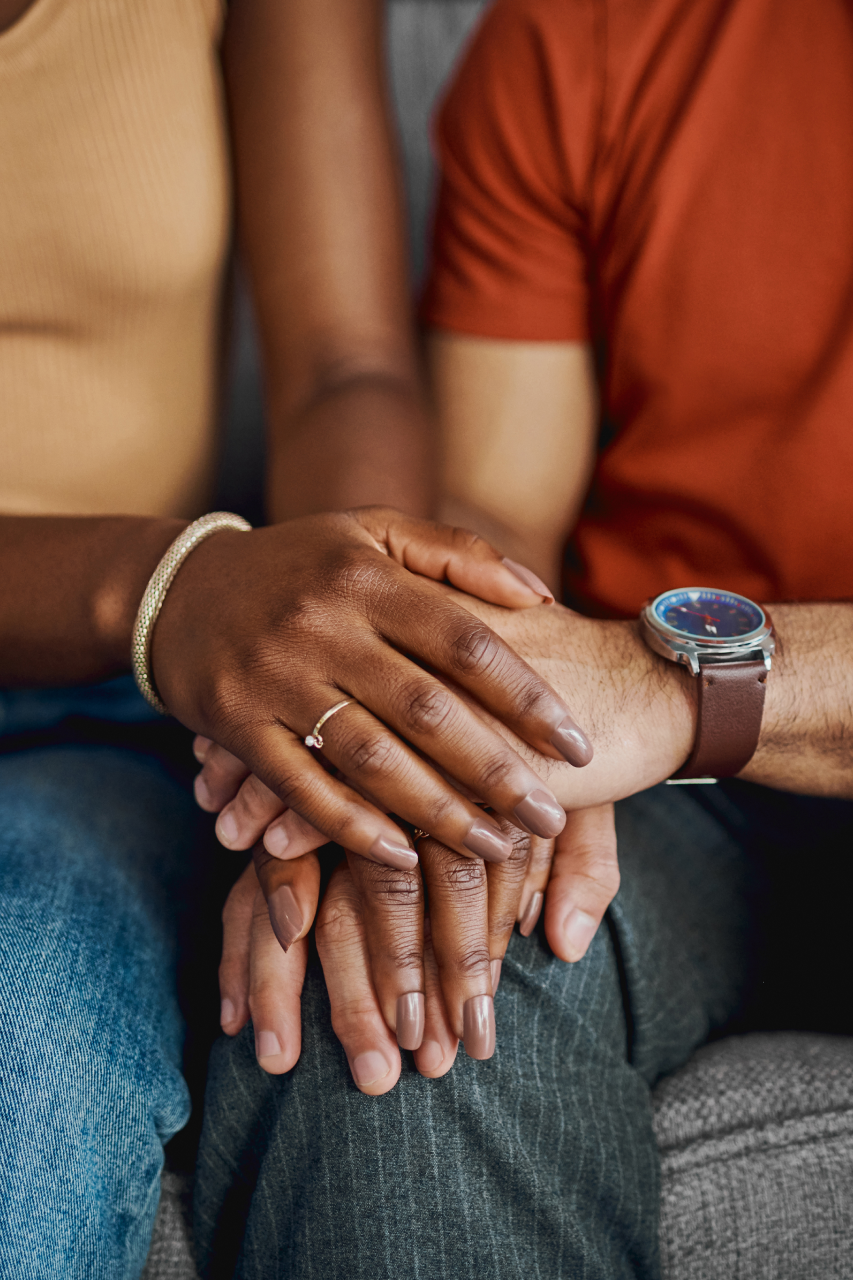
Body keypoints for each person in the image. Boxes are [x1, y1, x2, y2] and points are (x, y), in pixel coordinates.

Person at [193, 0, 853, 1275]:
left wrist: (663, 690)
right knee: (406, 985)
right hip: (669, 796)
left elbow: (635, 688)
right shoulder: (583, 30)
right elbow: (499, 512)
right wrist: (445, 725)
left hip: (662, 713)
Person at [0, 0, 594, 1274]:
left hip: (106, 716)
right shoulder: (167, 595)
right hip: (158, 623)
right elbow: (176, 595)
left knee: (23, 1022)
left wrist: (344, 689)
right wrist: (165, 584)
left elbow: (345, 365)